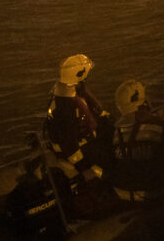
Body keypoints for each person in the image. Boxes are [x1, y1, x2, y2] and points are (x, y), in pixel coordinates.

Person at [105, 80, 164, 204]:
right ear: (143, 102)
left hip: (123, 192)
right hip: (153, 192)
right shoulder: (157, 126)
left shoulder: (114, 131)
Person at [43, 54, 114, 185]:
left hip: (83, 141)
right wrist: (86, 168)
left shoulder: (68, 93)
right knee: (113, 163)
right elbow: (68, 143)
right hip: (79, 151)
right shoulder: (66, 105)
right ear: (80, 75)